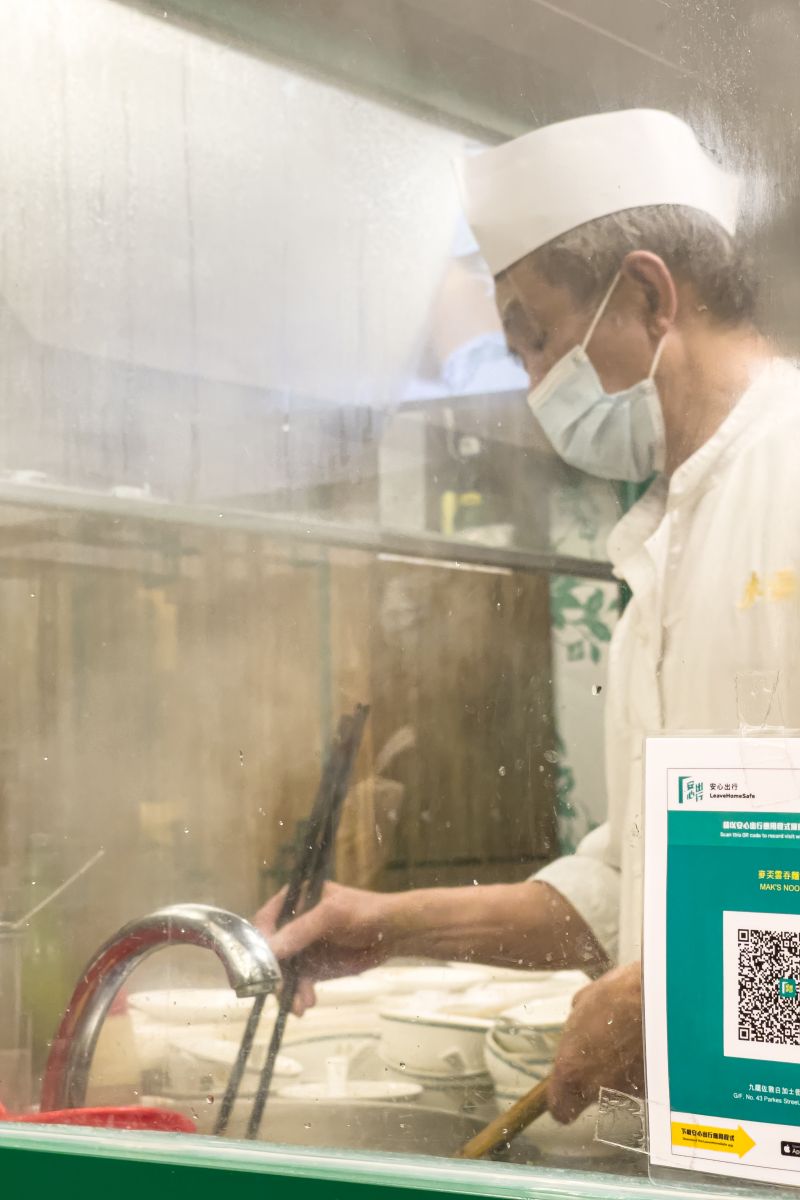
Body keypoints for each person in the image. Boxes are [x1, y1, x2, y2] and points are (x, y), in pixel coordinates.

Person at [257, 108, 800, 1124]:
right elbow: (621, 890)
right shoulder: (667, 536)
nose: (529, 388)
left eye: (535, 339)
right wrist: (385, 923)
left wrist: (681, 998)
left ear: (645, 295)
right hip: (733, 1139)